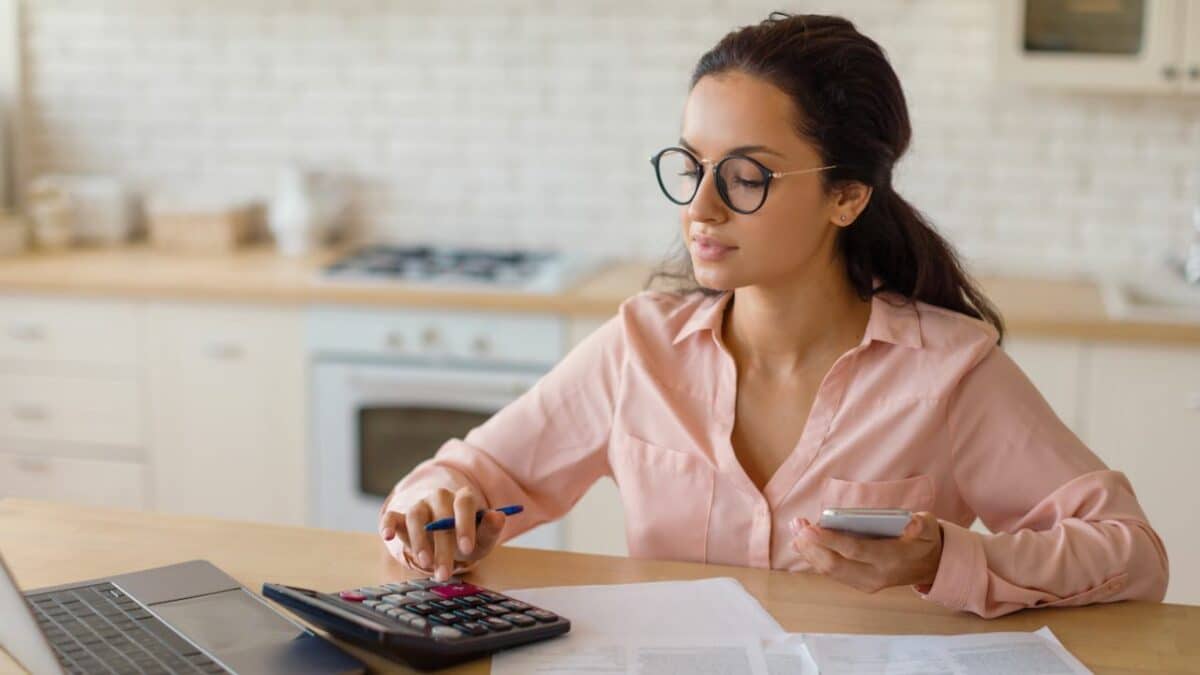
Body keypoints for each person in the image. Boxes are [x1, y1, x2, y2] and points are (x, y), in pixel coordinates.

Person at [378, 12, 1168, 618]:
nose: (701, 207)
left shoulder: (949, 372)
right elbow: (471, 476)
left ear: (848, 195)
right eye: (692, 166)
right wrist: (438, 503)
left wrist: (941, 561)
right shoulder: (640, 349)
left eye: (747, 176)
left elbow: (1132, 554)